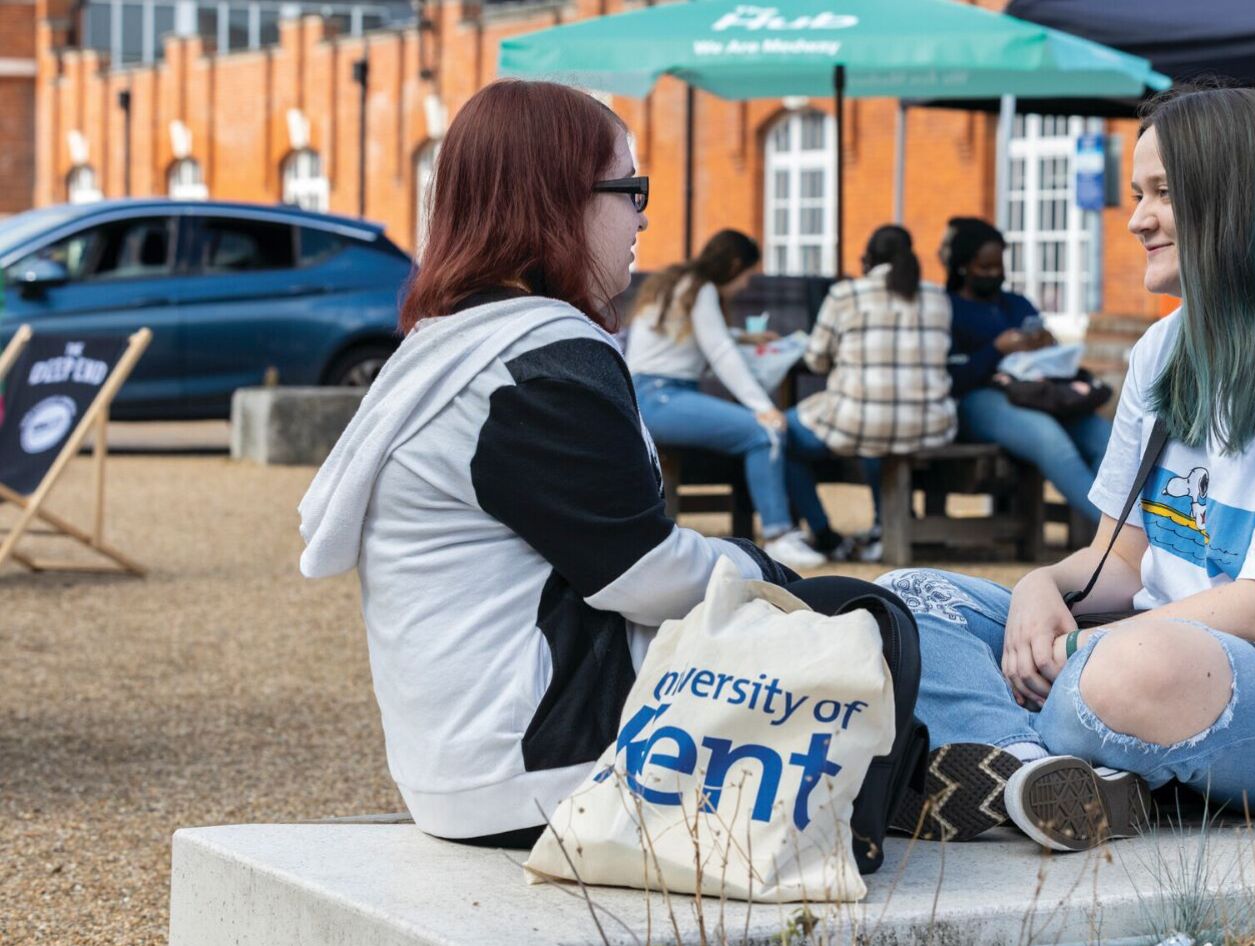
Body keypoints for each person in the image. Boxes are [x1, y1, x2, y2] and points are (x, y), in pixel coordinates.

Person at [878, 87, 1255, 854]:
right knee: (901, 603)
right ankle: (1035, 776)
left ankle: (1000, 747)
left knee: (1121, 676)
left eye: (1164, 195)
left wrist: (1086, 651)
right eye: (1137, 194)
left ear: (1240, 199)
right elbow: (1123, 558)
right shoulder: (1164, 351)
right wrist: (1041, 591)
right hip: (1151, 655)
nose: (1138, 218)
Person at [297, 80, 818, 848]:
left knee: (856, 615)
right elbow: (642, 575)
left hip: (459, 771)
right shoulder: (540, 359)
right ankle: (988, 773)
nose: (642, 214)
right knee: (874, 615)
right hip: (548, 772)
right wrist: (769, 574)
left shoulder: (446, 344)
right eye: (629, 188)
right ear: (558, 198)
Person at [626, 230, 823, 569]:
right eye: (747, 275)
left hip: (649, 396)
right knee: (766, 433)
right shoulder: (699, 288)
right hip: (663, 396)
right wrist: (763, 408)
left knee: (759, 433)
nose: (746, 285)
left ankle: (779, 533)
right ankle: (778, 535)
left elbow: (703, 335)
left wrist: (745, 336)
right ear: (733, 265)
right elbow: (720, 352)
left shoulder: (677, 282)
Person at [784, 224, 957, 562]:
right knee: (882, 429)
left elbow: (816, 360)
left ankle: (824, 534)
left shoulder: (845, 295)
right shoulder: (937, 296)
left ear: (867, 260)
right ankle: (881, 527)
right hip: (930, 425)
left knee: (782, 435)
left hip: (860, 420)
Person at [944, 218, 1111, 528]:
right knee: (1052, 441)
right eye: (985, 267)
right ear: (963, 266)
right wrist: (997, 349)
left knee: (1106, 439)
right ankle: (1114, 536)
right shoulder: (949, 308)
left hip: (1039, 392)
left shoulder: (1017, 303)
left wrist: (1045, 343)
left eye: (999, 266)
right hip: (978, 399)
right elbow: (952, 379)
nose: (995, 274)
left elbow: (1050, 351)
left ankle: (1118, 526)